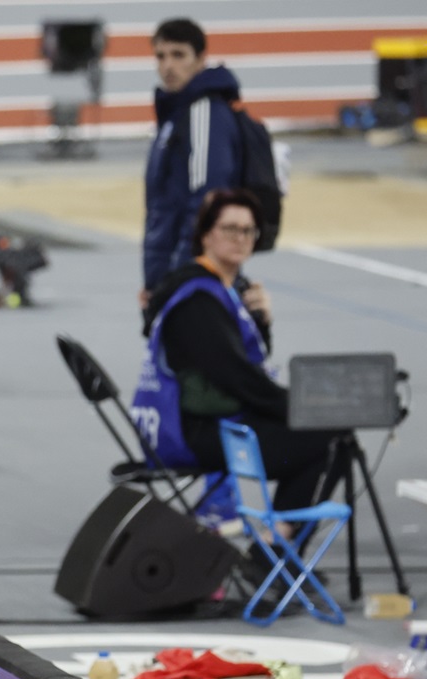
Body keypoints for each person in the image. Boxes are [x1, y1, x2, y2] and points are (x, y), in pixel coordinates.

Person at [138, 189, 345, 518]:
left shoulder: (222, 290)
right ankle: (275, 550)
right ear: (206, 234)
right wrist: (301, 406)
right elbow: (236, 376)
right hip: (198, 432)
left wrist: (262, 321)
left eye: (248, 230)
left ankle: (276, 549)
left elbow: (246, 363)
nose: (240, 238)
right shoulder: (198, 299)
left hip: (210, 423)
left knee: (331, 436)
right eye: (229, 229)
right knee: (335, 441)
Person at [142, 18, 245, 304]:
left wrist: (182, 275)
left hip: (192, 278)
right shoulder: (174, 116)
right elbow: (159, 206)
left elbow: (207, 201)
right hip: (167, 272)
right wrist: (154, 279)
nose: (168, 66)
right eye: (161, 56)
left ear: (200, 59)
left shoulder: (204, 112)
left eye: (179, 55)